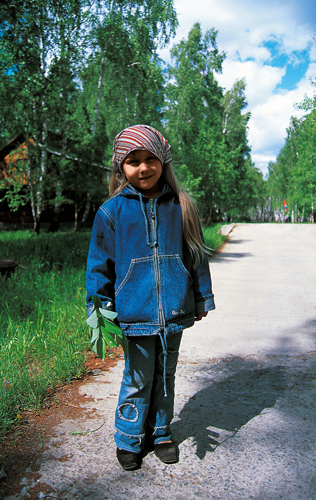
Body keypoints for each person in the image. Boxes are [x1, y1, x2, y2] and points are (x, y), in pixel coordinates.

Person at [86, 125, 215, 470]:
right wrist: (100, 318)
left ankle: (160, 431)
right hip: (134, 313)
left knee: (165, 373)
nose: (143, 168)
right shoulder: (111, 213)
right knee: (138, 376)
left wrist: (202, 297)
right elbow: (99, 269)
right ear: (120, 167)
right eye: (133, 161)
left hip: (174, 310)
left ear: (163, 160)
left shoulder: (181, 205)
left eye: (150, 159)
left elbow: (196, 256)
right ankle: (128, 437)